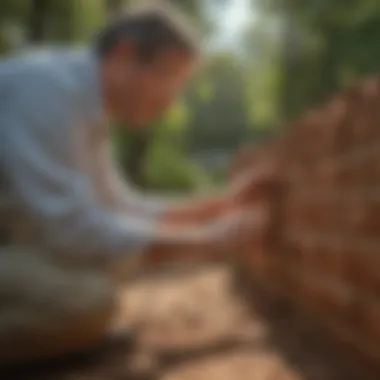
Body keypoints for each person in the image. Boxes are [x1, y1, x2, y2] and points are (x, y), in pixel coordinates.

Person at [0, 2, 275, 367]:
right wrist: (212, 240)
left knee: (103, 271)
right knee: (89, 301)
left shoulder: (87, 106)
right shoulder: (49, 93)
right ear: (124, 55)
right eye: (168, 79)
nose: (168, 102)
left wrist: (223, 203)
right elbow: (74, 230)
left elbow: (120, 205)